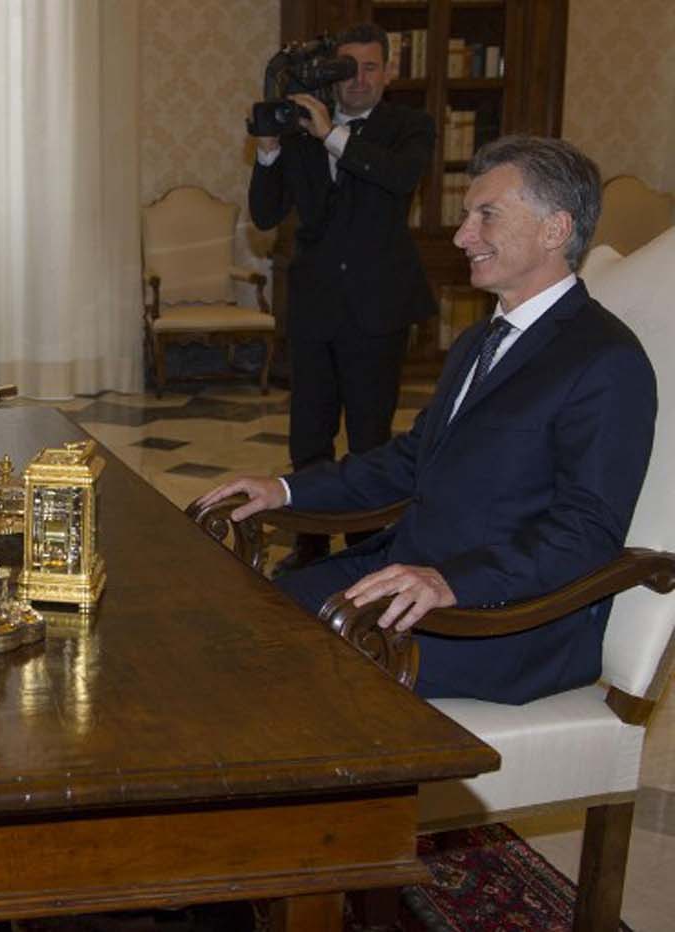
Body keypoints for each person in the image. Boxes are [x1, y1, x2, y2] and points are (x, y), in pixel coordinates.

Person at [195, 136, 657, 706]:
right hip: (409, 577)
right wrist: (284, 488)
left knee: (278, 670)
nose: (464, 236)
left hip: (499, 622)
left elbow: (585, 532)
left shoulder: (606, 361)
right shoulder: (477, 341)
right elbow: (412, 460)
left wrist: (451, 583)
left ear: (555, 230)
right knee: (234, 619)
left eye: (486, 216)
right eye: (467, 217)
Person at [249, 22, 437, 569]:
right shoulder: (301, 129)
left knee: (371, 438)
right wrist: (267, 152)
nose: (357, 78)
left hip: (377, 307)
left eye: (370, 67)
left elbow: (399, 179)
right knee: (308, 436)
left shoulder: (409, 126)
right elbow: (265, 214)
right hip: (314, 306)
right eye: (346, 67)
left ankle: (366, 547)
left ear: (389, 72)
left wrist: (333, 133)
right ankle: (310, 546)